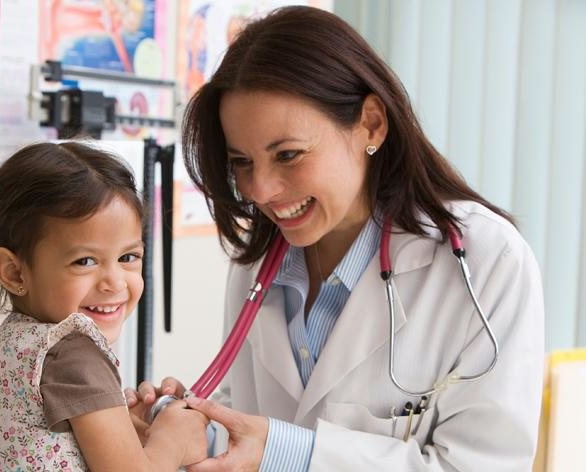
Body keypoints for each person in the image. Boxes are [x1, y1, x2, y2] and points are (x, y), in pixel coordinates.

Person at [127, 6, 544, 471]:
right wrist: (188, 429)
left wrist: (292, 454)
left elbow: (483, 464)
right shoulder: (258, 264)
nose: (259, 191)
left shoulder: (483, 262)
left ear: (371, 123)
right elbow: (247, 421)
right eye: (242, 161)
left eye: (288, 154)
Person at [0, 141, 209, 472]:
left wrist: (121, 428)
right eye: (85, 261)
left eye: (128, 257)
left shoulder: (11, 343)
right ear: (14, 271)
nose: (115, 282)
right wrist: (173, 441)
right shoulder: (73, 353)